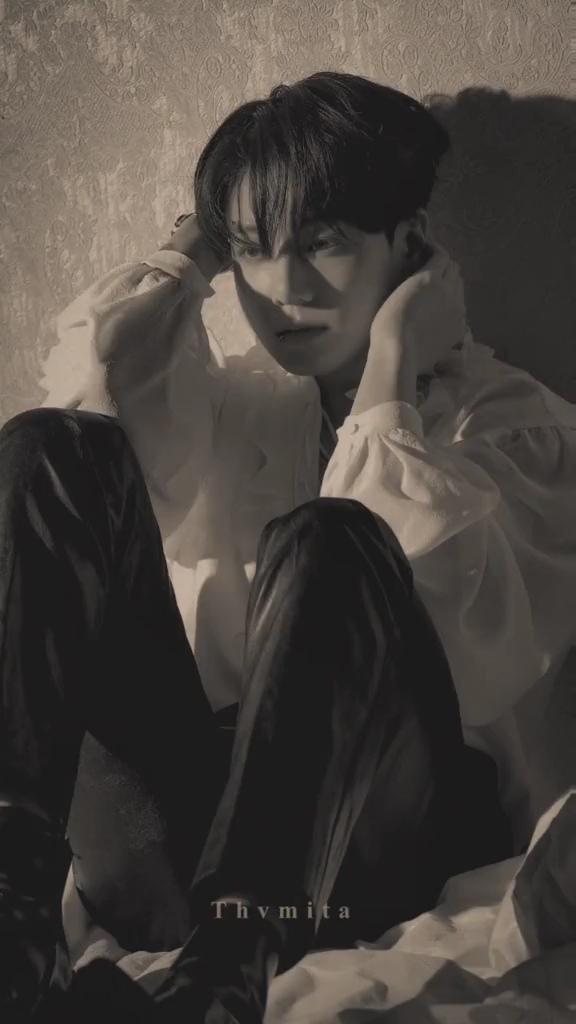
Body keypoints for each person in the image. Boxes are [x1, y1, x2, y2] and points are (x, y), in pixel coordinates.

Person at [1, 70, 576, 1023]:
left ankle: (227, 972)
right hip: (190, 837)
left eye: (324, 242)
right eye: (255, 250)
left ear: (411, 243)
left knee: (330, 536)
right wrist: (193, 245)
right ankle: (12, 914)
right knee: (49, 449)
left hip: (375, 847)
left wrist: (389, 367)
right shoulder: (240, 406)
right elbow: (89, 384)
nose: (284, 290)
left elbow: (442, 642)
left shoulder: (519, 432)